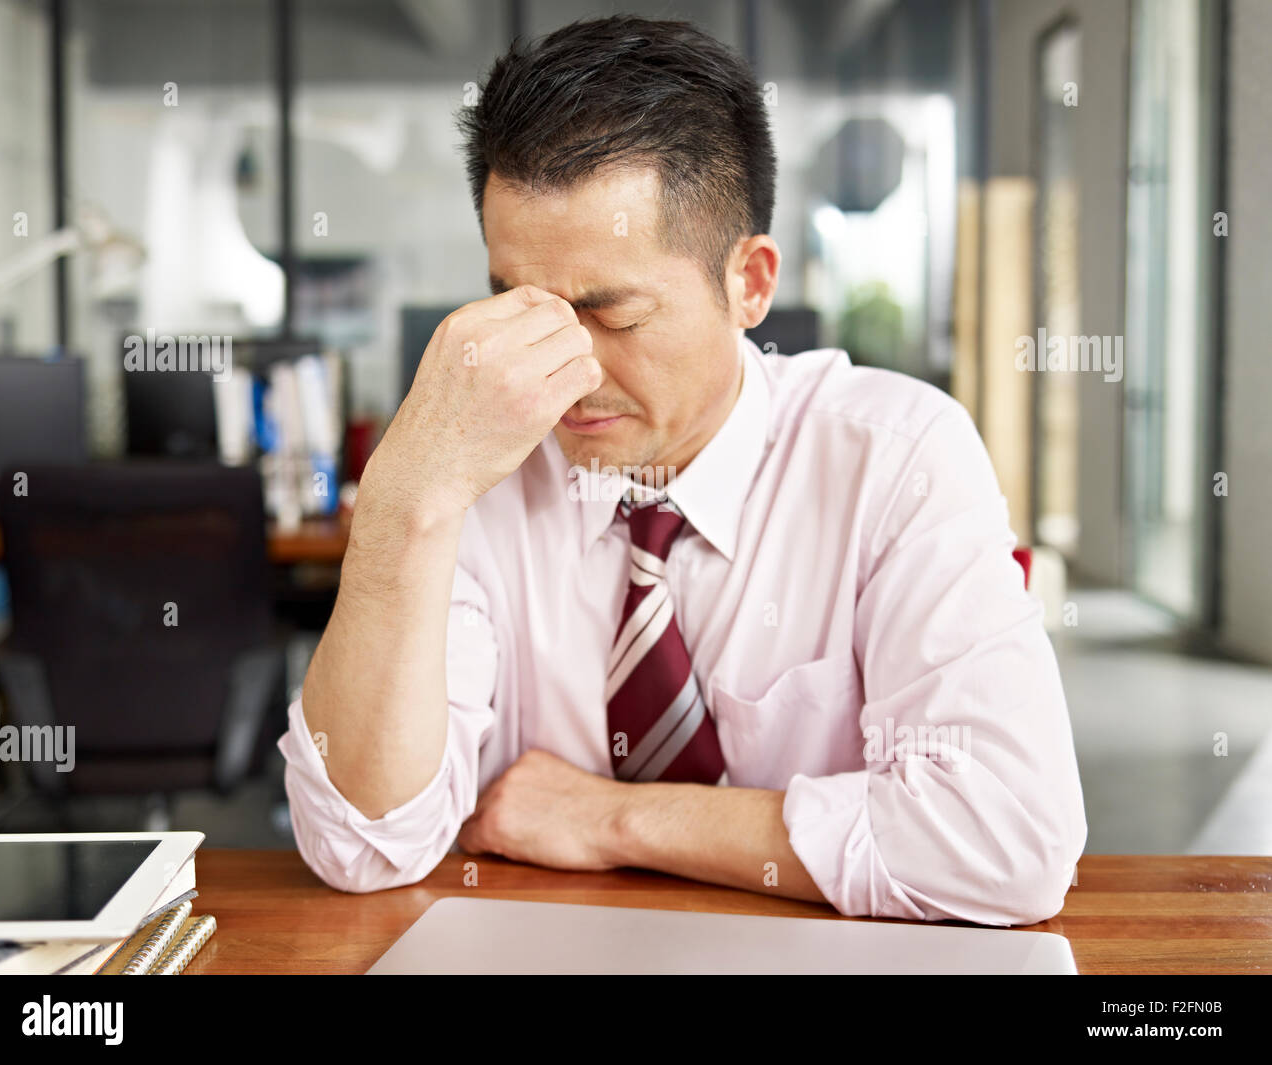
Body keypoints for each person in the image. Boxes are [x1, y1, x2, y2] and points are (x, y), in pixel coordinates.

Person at [280, 15, 1086, 926]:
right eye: (522, 309)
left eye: (613, 316)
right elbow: (362, 845)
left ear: (750, 282)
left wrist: (612, 818)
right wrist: (403, 499)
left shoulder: (895, 459)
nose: (563, 374)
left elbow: (1006, 838)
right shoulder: (473, 469)